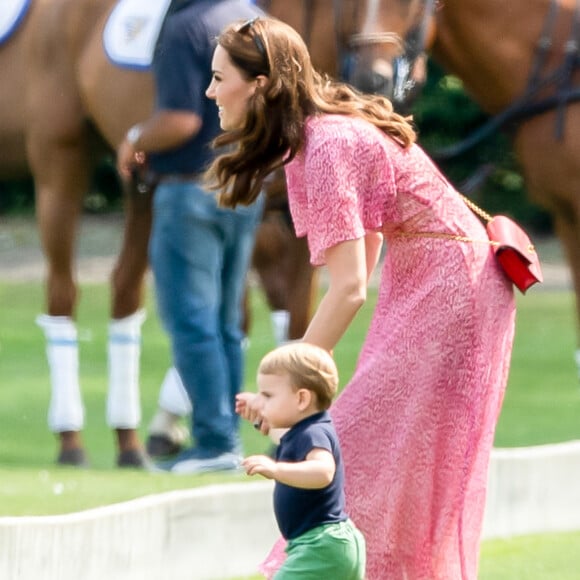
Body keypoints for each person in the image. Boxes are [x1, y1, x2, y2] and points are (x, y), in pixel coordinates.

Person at [204, 16, 516, 579]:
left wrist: (282, 382)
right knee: (379, 445)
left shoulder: (323, 145)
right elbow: (365, 255)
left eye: (218, 76)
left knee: (370, 441)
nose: (209, 91)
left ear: (260, 84)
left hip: (450, 285)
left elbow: (348, 287)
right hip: (438, 276)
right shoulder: (318, 136)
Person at [116, 0, 264, 474]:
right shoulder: (258, 20)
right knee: (224, 322)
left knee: (192, 321)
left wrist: (136, 137)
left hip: (190, 191)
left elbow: (181, 119)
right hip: (245, 188)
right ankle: (227, 436)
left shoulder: (186, 27)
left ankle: (215, 440)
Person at [238, 342, 366, 579]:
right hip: (330, 544)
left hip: (320, 545)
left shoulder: (312, 433)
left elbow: (323, 471)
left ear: (301, 399)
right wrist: (257, 411)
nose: (262, 401)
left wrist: (275, 469)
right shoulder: (305, 429)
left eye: (268, 395)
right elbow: (279, 434)